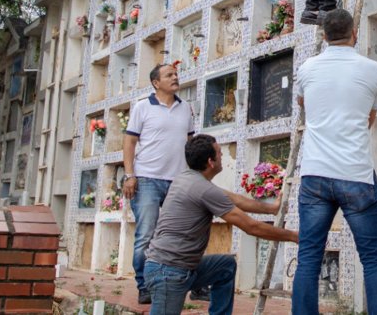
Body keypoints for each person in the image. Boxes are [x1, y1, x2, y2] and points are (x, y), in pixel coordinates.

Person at [292, 9, 377, 315]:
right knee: (373, 259)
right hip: (356, 175)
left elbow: (303, 103)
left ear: (323, 36)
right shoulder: (373, 69)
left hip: (315, 175)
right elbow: (369, 119)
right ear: (355, 33)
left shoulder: (307, 68)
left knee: (308, 256)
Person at [144, 134, 299, 315]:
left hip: (180, 267)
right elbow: (251, 227)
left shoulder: (187, 178)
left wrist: (271, 209)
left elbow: (234, 199)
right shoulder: (203, 189)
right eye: (219, 152)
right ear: (211, 162)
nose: (222, 156)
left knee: (225, 266)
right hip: (168, 271)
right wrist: (294, 236)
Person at [122, 63, 195, 304]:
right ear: (156, 82)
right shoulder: (143, 107)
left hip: (177, 181)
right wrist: (129, 175)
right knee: (146, 235)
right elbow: (130, 143)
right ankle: (145, 287)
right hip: (147, 180)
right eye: (169, 75)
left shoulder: (186, 108)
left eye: (176, 74)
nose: (175, 77)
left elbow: (189, 143)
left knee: (180, 234)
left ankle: (176, 282)